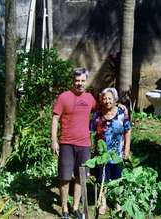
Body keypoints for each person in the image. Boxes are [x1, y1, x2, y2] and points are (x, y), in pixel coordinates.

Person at [51, 67, 96, 219]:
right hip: (66, 144)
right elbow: (55, 119)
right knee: (65, 177)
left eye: (82, 81)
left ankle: (75, 207)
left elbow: (102, 109)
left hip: (84, 145)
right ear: (73, 81)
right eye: (77, 80)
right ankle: (64, 208)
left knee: (80, 177)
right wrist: (54, 141)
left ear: (86, 81)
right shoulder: (64, 97)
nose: (79, 83)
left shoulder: (90, 98)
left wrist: (120, 106)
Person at [90, 87, 131, 215]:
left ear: (115, 100)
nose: (107, 101)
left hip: (117, 153)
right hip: (102, 154)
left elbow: (128, 130)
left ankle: (116, 201)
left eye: (109, 98)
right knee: (103, 178)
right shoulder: (97, 115)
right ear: (101, 100)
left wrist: (127, 148)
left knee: (117, 178)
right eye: (104, 98)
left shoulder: (121, 113)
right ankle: (103, 201)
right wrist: (92, 147)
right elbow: (90, 131)